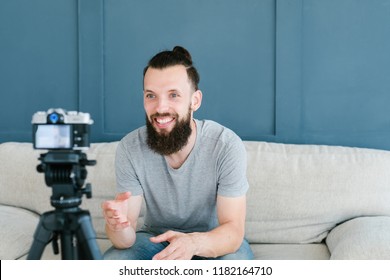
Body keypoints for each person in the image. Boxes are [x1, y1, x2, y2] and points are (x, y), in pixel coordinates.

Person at [102, 46, 253, 260]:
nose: (160, 107)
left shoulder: (226, 145)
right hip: (154, 238)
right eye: (151, 95)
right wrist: (116, 226)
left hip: (212, 240)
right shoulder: (130, 147)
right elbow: (124, 240)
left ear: (195, 101)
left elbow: (233, 232)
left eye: (173, 95)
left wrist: (192, 243)